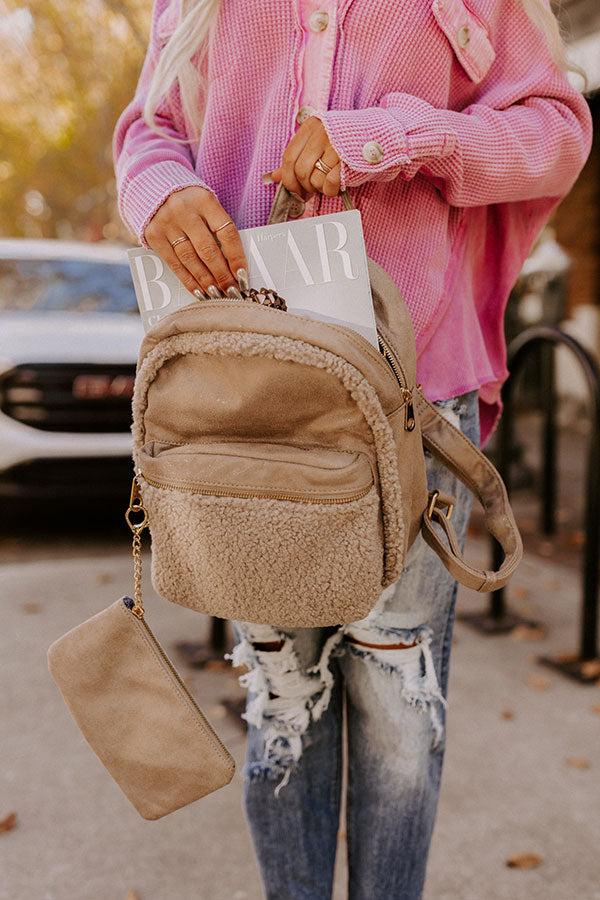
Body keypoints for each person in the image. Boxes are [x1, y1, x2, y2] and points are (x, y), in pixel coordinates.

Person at [113, 2, 592, 897]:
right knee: (283, 704)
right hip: (249, 398)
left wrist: (396, 137)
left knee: (398, 715)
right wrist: (160, 190)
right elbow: (151, 125)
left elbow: (556, 136)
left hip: (416, 394)